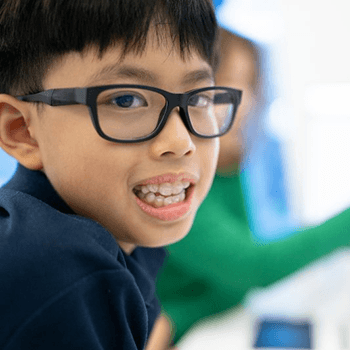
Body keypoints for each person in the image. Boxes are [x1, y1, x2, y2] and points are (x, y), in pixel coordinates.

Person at [0, 1, 241, 349]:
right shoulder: (62, 270)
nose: (180, 141)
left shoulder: (116, 241)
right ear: (22, 130)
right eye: (126, 100)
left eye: (198, 100)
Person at [156, 27, 350, 345]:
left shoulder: (227, 165)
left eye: (248, 84)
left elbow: (235, 286)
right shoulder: (173, 180)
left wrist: (177, 315)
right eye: (229, 81)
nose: (243, 102)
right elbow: (252, 268)